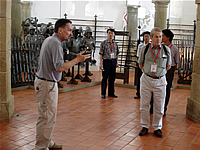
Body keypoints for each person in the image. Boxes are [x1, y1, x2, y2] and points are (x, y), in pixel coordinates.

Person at [34, 19, 91, 150]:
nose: (71, 33)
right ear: (60, 30)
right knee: (46, 116)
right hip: (47, 84)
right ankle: (41, 147)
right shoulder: (55, 43)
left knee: (48, 115)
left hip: (46, 83)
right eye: (69, 30)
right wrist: (77, 60)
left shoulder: (50, 40)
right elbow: (60, 67)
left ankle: (47, 141)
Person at [138, 27, 171, 138]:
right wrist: (149, 73)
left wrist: (159, 74)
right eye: (156, 36)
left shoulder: (166, 50)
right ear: (151, 37)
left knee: (159, 106)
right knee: (144, 105)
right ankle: (145, 126)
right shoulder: (145, 49)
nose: (158, 39)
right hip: (147, 79)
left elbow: (168, 66)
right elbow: (140, 64)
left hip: (160, 80)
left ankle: (157, 127)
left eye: (160, 36)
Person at [162, 29, 179, 116]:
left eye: (163, 36)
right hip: (160, 69)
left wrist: (171, 71)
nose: (161, 37)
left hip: (169, 70)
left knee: (167, 88)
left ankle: (164, 108)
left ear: (168, 38)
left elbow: (176, 62)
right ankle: (153, 106)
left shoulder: (174, 48)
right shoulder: (160, 47)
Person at [99, 28, 119, 99]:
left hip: (113, 62)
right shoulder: (103, 43)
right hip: (106, 61)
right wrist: (100, 63)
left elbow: (117, 53)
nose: (110, 34)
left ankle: (111, 93)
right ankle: (103, 93)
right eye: (109, 33)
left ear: (114, 34)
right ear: (107, 34)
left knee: (112, 78)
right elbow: (101, 54)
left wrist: (116, 62)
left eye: (112, 33)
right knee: (105, 77)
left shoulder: (115, 44)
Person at [134, 31, 150, 99]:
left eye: (148, 36)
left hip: (148, 65)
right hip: (141, 64)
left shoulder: (151, 46)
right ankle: (138, 93)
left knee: (148, 80)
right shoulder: (140, 45)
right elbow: (138, 55)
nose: (146, 38)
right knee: (139, 79)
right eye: (145, 36)